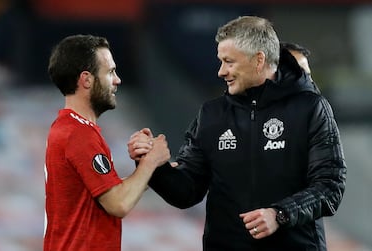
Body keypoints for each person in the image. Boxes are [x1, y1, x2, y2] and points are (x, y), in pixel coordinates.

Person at [128, 16, 347, 251]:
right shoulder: (212, 114)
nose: (221, 71)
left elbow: (330, 185)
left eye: (229, 61)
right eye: (221, 61)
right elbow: (186, 192)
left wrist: (280, 214)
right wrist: (153, 164)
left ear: (259, 60)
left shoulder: (310, 108)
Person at [44, 34, 170, 251]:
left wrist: (149, 172)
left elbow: (101, 194)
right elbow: (118, 203)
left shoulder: (70, 128)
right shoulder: (79, 133)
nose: (117, 80)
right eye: (110, 72)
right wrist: (151, 161)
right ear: (87, 80)